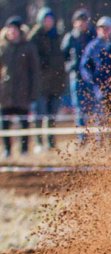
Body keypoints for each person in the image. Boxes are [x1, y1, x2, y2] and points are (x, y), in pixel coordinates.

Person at [0, 17, 41, 158]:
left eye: (15, 29)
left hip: (23, 91)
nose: (12, 32)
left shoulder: (28, 47)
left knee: (24, 122)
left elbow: (34, 71)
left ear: (19, 30)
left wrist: (33, 92)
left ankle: (24, 150)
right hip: (5, 91)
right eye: (10, 29)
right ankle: (7, 150)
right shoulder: (2, 46)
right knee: (4, 122)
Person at [28, 7, 67, 152]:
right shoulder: (34, 37)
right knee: (39, 114)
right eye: (46, 19)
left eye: (50, 19)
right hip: (40, 84)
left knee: (52, 116)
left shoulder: (57, 36)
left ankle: (51, 142)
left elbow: (61, 59)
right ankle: (39, 142)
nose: (48, 22)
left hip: (55, 83)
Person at [81, 17, 111, 123]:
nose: (104, 31)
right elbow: (85, 66)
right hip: (99, 87)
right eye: (102, 28)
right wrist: (92, 80)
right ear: (97, 30)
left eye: (107, 28)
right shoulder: (93, 46)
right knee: (101, 117)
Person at [62, 8, 95, 143]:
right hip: (76, 77)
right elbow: (64, 56)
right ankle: (82, 138)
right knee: (79, 109)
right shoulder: (70, 37)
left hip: (91, 77)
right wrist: (71, 66)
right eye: (79, 20)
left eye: (84, 20)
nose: (82, 23)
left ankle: (98, 138)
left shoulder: (92, 35)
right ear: (74, 22)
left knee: (94, 107)